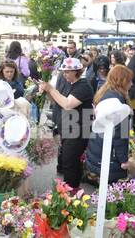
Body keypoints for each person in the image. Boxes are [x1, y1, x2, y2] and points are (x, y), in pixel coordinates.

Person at [39, 57, 94, 192]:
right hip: (69, 127)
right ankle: (72, 189)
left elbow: (68, 104)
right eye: (63, 72)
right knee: (70, 161)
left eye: (68, 72)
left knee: (70, 162)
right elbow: (57, 101)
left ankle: (71, 190)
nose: (65, 75)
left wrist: (51, 89)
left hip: (79, 129)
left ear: (77, 71)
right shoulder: (68, 83)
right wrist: (47, 91)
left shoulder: (83, 85)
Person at [86, 65, 133, 184]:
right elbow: (120, 136)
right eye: (129, 81)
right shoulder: (118, 104)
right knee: (111, 193)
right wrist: (124, 160)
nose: (131, 84)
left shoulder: (105, 92)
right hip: (109, 153)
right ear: (122, 81)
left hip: (97, 146)